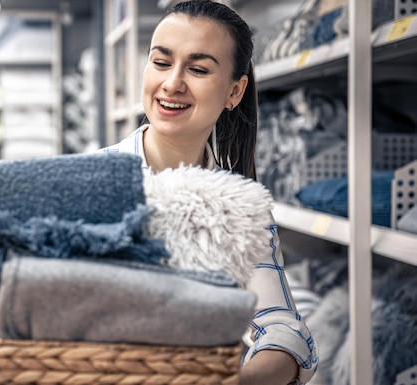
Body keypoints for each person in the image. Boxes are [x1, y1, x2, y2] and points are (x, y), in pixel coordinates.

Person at [101, 1, 318, 384]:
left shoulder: (239, 207)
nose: (172, 84)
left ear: (234, 91)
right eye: (161, 62)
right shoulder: (88, 182)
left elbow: (283, 329)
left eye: (198, 69)